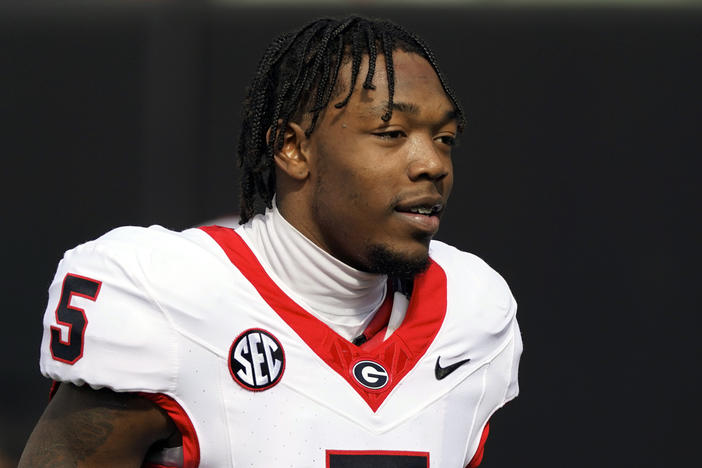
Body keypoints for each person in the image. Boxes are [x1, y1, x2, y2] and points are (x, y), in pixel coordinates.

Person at [20, 16, 522, 467]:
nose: (433, 164)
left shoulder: (474, 312)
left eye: (445, 138)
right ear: (293, 148)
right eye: (391, 133)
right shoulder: (169, 295)